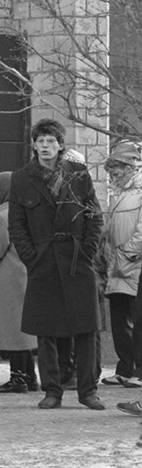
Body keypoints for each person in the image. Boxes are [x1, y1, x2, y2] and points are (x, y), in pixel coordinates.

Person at [8, 118, 105, 410]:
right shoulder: (22, 178)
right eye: (40, 141)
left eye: (51, 141)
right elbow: (17, 224)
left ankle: (88, 391)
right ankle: (52, 391)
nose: (45, 146)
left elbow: (95, 216)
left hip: (78, 261)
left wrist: (87, 251)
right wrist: (31, 257)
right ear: (34, 145)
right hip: (43, 262)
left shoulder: (78, 174)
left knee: (87, 328)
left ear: (60, 145)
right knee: (46, 330)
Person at [0, 171, 38, 394]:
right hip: (22, 275)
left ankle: (18, 378)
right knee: (23, 330)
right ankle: (29, 376)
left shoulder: (2, 216)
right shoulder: (25, 212)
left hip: (7, 278)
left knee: (13, 332)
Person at [99, 141, 142, 387]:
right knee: (118, 318)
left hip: (133, 264)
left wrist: (129, 253)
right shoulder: (118, 193)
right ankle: (124, 368)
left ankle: (139, 370)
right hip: (116, 264)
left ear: (129, 167)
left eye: (116, 169)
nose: (112, 174)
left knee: (138, 319)